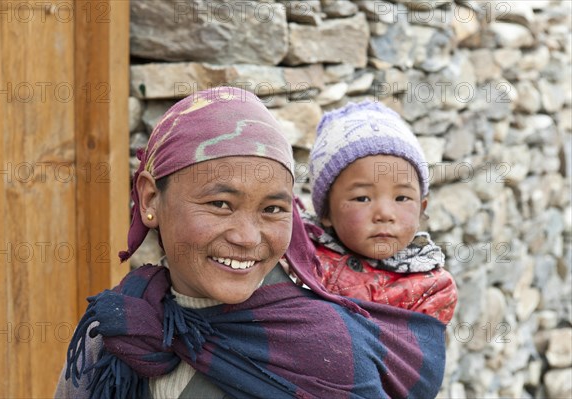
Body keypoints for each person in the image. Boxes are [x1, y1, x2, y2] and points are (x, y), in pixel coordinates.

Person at [55, 87, 447, 399]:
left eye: (272, 210)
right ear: (151, 199)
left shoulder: (326, 353)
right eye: (220, 204)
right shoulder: (119, 328)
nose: (246, 237)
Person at [305, 100, 457, 324]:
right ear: (326, 212)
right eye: (362, 198)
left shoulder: (433, 287)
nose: (385, 214)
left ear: (421, 209)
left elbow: (414, 356)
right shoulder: (302, 256)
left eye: (402, 198)